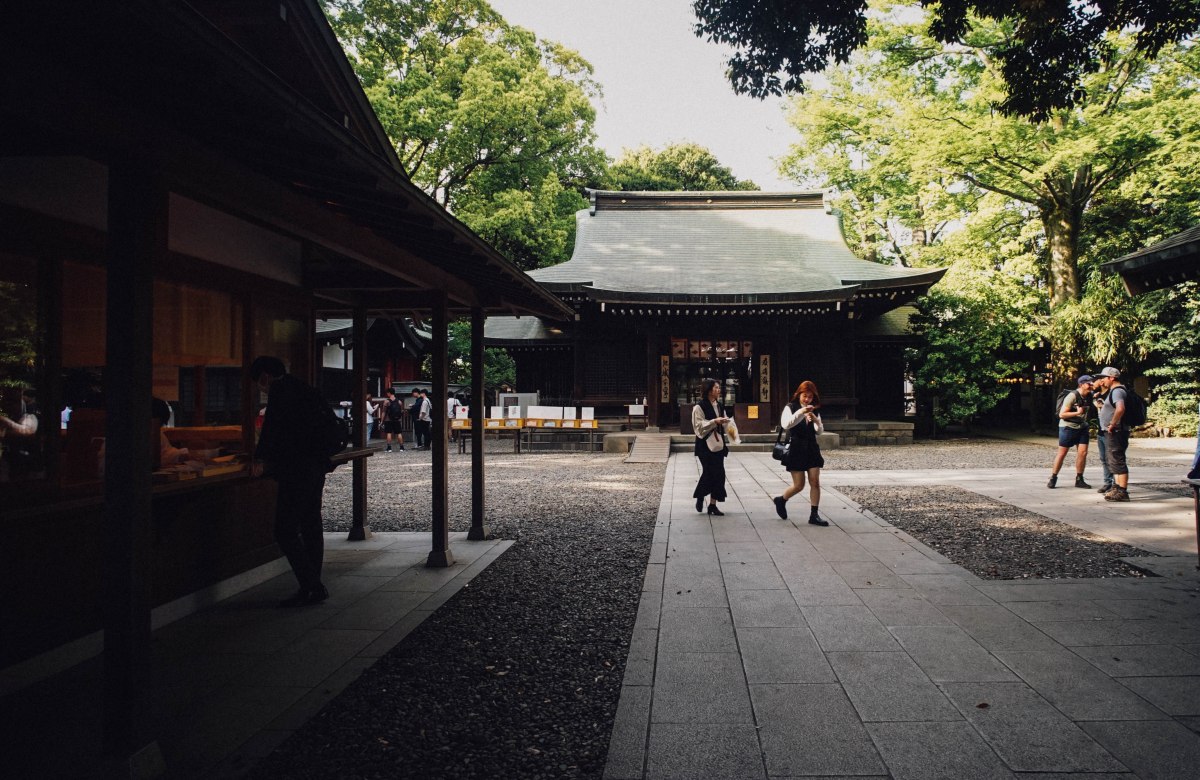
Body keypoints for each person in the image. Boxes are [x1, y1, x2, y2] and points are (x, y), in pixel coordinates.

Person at [249, 355, 331, 607]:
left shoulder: (280, 392)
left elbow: (273, 429)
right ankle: (312, 584)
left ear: (264, 375)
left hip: (295, 470)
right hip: (315, 466)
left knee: (284, 530)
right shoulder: (304, 388)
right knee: (311, 526)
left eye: (258, 380)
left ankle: (312, 584)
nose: (260, 385)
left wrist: (260, 458)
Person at [772, 380, 829, 526]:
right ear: (799, 394)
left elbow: (820, 432)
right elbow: (786, 425)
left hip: (811, 447)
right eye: (805, 396)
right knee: (799, 485)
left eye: (810, 397)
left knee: (815, 481)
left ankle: (814, 515)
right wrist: (801, 412)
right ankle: (781, 500)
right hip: (796, 447)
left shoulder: (814, 409)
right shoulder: (791, 407)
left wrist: (816, 420)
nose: (807, 399)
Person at [692, 378, 731, 516]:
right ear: (709, 390)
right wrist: (715, 421)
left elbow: (726, 423)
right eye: (716, 388)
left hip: (718, 444)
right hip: (704, 445)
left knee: (719, 474)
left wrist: (732, 432)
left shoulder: (720, 406)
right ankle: (700, 495)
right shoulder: (699, 407)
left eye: (719, 388)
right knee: (709, 472)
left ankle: (712, 505)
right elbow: (698, 427)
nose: (718, 390)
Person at [1047, 375, 1094, 489]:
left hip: (1082, 427)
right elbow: (1062, 414)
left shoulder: (1089, 396)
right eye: (1089, 384)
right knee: (1062, 453)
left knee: (1083, 453)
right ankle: (1053, 477)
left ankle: (1079, 479)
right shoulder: (1072, 396)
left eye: (1092, 384)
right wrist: (1077, 413)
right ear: (1081, 384)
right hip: (1067, 427)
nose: (1091, 386)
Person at [1092, 366, 1131, 502]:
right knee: (1113, 459)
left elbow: (1120, 408)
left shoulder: (1117, 391)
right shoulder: (1113, 391)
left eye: (1103, 377)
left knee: (1117, 459)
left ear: (1112, 378)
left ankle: (1123, 490)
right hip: (1114, 431)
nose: (1102, 380)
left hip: (1116, 431)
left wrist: (1113, 423)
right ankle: (1118, 487)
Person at [0, 386, 41, 481]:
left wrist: (4, 421)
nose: (8, 405)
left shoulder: (30, 416)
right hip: (13, 468)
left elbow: (27, 431)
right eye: (6, 401)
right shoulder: (12, 417)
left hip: (30, 472)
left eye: (13, 401)